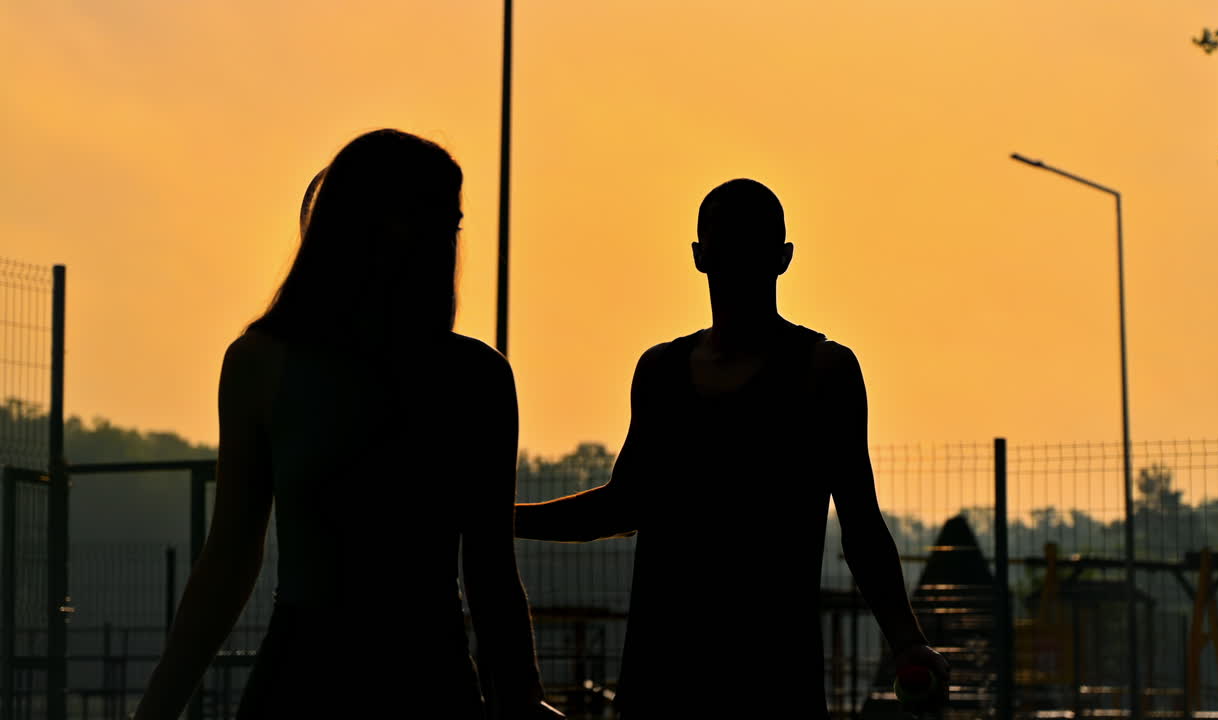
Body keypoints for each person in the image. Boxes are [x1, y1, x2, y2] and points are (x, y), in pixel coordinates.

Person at [133, 129, 562, 719]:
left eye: (452, 222)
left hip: (410, 681)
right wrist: (158, 706)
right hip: (337, 683)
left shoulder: (479, 377)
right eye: (428, 217)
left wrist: (521, 700)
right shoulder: (261, 363)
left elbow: (492, 574)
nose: (446, 240)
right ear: (366, 225)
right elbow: (230, 556)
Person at [515, 179, 949, 718]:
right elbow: (860, 527)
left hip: (723, 675)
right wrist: (907, 641)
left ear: (700, 256)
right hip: (719, 674)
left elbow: (622, 506)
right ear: (784, 258)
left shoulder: (806, 373)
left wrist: (499, 518)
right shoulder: (798, 371)